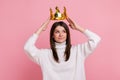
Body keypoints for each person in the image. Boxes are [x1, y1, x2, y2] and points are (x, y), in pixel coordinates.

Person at [24, 17, 101, 80]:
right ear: (52, 35)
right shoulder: (45, 54)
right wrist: (41, 29)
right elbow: (27, 47)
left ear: (67, 34)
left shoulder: (78, 51)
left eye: (64, 31)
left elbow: (96, 39)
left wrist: (78, 27)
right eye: (57, 32)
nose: (61, 34)